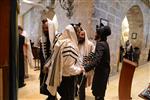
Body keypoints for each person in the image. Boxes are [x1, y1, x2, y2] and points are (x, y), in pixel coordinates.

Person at [44, 23, 84, 100]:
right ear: (73, 33)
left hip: (60, 77)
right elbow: (68, 67)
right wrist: (79, 70)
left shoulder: (61, 42)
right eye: (78, 32)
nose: (79, 35)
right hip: (67, 79)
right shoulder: (70, 45)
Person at [84, 25, 111, 100]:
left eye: (96, 33)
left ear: (100, 34)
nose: (95, 34)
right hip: (103, 72)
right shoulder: (105, 43)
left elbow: (96, 60)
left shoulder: (101, 44)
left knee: (98, 95)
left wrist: (85, 68)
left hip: (101, 73)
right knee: (100, 93)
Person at [39, 18, 56, 100]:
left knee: (52, 83)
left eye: (46, 28)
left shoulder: (56, 38)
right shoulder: (42, 39)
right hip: (45, 65)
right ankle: (50, 96)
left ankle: (53, 96)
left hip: (53, 65)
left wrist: (49, 64)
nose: (44, 30)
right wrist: (44, 64)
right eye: (43, 28)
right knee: (45, 82)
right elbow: (42, 53)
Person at [77, 30, 95, 100]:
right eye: (80, 35)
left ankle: (82, 98)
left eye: (82, 35)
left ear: (85, 36)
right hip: (76, 68)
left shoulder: (89, 44)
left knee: (81, 86)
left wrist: (88, 60)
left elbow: (94, 52)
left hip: (83, 69)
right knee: (76, 84)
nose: (80, 37)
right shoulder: (77, 43)